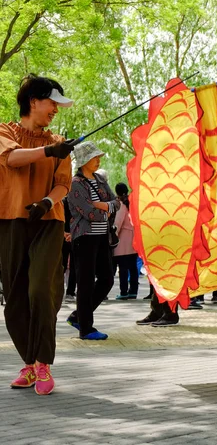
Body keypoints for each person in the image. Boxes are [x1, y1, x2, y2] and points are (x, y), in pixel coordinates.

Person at [0, 74, 74, 395]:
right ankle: (29, 365)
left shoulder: (58, 141)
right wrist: (49, 151)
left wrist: (47, 201)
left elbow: (63, 185)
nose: (56, 110)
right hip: (10, 220)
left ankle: (43, 362)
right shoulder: (3, 131)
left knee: (41, 290)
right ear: (34, 101)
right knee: (15, 298)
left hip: (48, 221)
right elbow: (12, 159)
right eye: (52, 103)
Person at [66, 141, 120, 340]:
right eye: (94, 157)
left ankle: (78, 316)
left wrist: (103, 206)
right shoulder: (75, 184)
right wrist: (106, 208)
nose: (98, 161)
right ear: (84, 160)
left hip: (101, 237)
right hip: (84, 238)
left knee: (107, 279)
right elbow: (88, 213)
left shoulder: (99, 179)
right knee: (86, 283)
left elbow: (117, 202)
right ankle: (85, 328)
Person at [113, 182, 139, 300]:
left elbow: (118, 223)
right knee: (133, 267)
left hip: (123, 240)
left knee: (123, 267)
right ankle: (133, 291)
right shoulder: (133, 203)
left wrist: (113, 235)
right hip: (134, 239)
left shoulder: (121, 206)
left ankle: (123, 292)